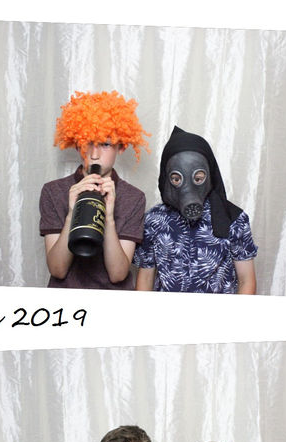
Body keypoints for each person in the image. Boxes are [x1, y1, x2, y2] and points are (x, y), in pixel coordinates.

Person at [40, 90, 150, 289]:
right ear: (76, 145)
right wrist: (72, 213)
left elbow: (118, 274)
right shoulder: (53, 191)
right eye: (87, 143)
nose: (95, 154)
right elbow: (57, 270)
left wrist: (108, 218)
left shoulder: (134, 198)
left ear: (121, 147)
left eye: (105, 144)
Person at [134, 126, 257, 293]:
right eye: (176, 179)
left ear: (210, 174)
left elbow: (246, 280)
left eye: (198, 178)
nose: (188, 188)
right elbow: (145, 278)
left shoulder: (233, 219)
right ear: (166, 178)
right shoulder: (154, 219)